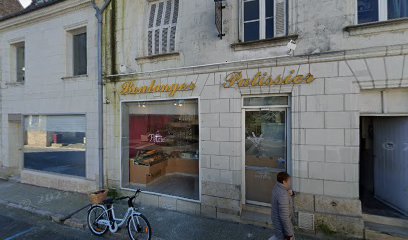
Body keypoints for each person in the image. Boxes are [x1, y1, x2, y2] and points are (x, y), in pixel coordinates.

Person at [270, 172, 295, 240]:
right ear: (284, 182)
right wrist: (289, 234)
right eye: (289, 181)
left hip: (276, 220)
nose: (290, 183)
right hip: (282, 225)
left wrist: (291, 193)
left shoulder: (277, 187)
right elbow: (284, 217)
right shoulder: (283, 194)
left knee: (278, 236)